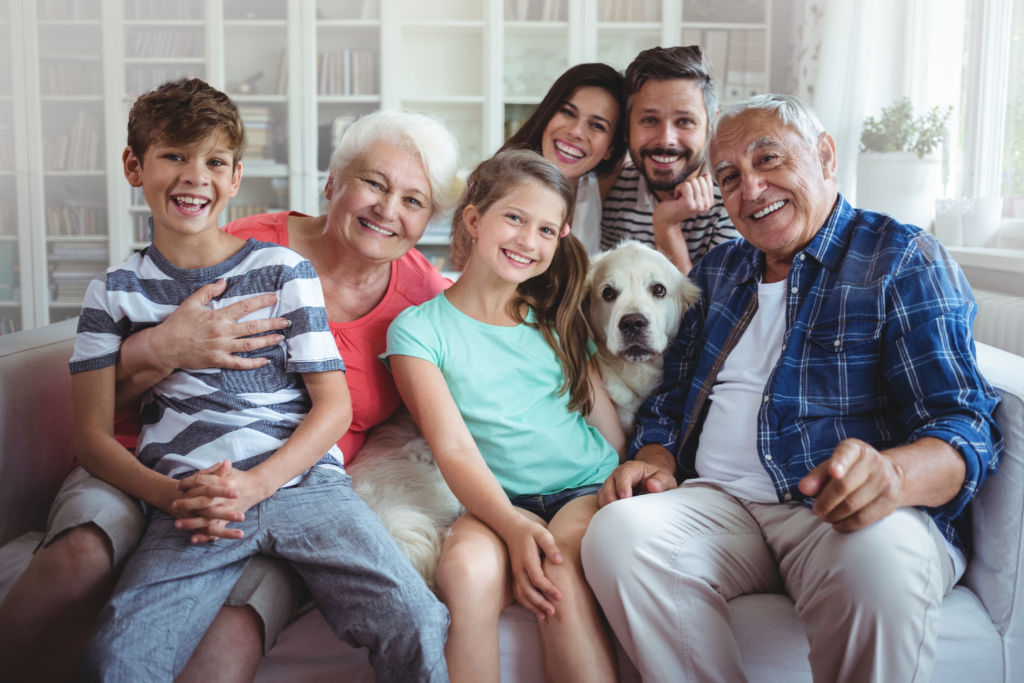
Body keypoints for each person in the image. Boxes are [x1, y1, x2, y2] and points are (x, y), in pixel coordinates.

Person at [0, 102, 463, 682]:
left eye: (413, 200)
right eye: (373, 183)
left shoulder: (420, 298)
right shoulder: (223, 247)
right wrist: (166, 351)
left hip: (295, 480)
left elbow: (373, 401)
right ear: (333, 183)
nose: (388, 209)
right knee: (106, 611)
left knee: (267, 627)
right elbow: (93, 423)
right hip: (171, 470)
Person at [581, 93, 1004, 683]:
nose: (750, 189)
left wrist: (893, 475)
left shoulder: (902, 259)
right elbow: (672, 397)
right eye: (728, 177)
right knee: (618, 534)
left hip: (846, 511)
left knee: (879, 560)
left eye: (769, 160)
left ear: (825, 155)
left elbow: (964, 424)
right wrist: (654, 454)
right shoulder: (719, 273)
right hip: (721, 504)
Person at [386, 149, 626, 683]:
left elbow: (605, 424)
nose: (527, 240)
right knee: (464, 570)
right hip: (494, 500)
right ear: (474, 220)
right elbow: (452, 448)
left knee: (557, 565)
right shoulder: (418, 331)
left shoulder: (554, 321)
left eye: (546, 229)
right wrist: (512, 524)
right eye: (514, 218)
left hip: (583, 488)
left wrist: (625, 476)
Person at [600, 45, 739, 273]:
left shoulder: (734, 200)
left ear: (712, 128)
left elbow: (708, 309)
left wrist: (667, 226)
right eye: (649, 120)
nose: (666, 140)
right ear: (626, 127)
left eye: (684, 121)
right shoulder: (615, 190)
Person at [500, 62, 626, 254]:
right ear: (547, 114)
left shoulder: (602, 186)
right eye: (568, 112)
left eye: (597, 125)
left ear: (611, 149)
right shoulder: (499, 183)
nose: (576, 132)